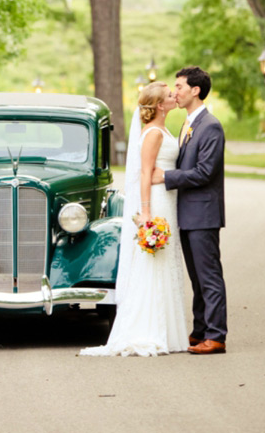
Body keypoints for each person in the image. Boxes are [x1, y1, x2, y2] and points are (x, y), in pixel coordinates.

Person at [80, 81, 188, 357]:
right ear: (160, 105)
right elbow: (144, 174)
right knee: (154, 263)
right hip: (157, 201)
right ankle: (149, 329)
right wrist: (147, 213)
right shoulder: (152, 133)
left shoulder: (162, 128)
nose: (174, 96)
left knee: (163, 263)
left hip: (168, 199)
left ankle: (169, 331)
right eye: (169, 94)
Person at [152, 65, 227, 355]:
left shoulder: (211, 126)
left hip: (204, 214)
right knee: (196, 277)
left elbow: (205, 172)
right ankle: (199, 331)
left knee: (209, 276)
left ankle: (217, 335)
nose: (175, 91)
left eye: (180, 86)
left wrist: (166, 177)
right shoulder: (188, 124)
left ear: (196, 90)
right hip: (186, 213)